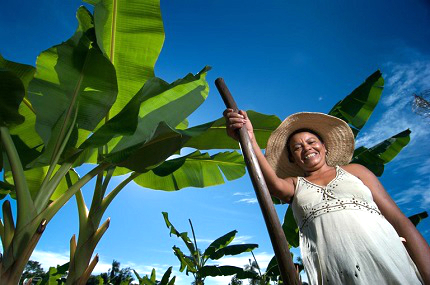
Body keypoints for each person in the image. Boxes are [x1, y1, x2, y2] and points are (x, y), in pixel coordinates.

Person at [224, 109, 430, 285]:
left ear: (324, 146)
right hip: (335, 273)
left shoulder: (356, 171)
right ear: (293, 159)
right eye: (297, 148)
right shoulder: (294, 185)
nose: (306, 148)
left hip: (387, 257)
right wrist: (248, 139)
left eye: (311, 142)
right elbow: (270, 184)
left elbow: (398, 220)